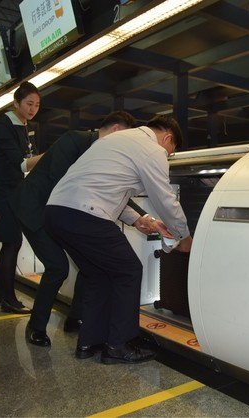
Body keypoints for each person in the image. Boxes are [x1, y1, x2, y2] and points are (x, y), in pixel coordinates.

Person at [11, 111, 169, 346]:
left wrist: (139, 218)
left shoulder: (103, 151)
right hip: (35, 209)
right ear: (116, 130)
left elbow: (108, 188)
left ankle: (77, 319)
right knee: (58, 267)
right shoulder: (74, 140)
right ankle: (36, 326)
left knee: (91, 264)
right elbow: (66, 183)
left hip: (61, 213)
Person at [45, 115, 193, 364]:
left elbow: (108, 186)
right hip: (85, 215)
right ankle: (119, 345)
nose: (166, 156)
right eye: (170, 152)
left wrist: (139, 219)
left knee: (98, 275)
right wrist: (184, 236)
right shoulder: (152, 149)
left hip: (56, 212)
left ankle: (90, 342)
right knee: (129, 271)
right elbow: (165, 198)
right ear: (168, 138)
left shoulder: (117, 140)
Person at [0, 81, 43, 314]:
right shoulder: (4, 126)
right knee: (12, 242)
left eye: (37, 105)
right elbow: (21, 163)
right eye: (29, 104)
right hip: (3, 191)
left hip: (14, 191)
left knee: (12, 242)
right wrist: (52, 155)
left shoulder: (25, 126)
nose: (33, 109)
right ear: (16, 103)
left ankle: (1, 293)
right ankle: (8, 298)